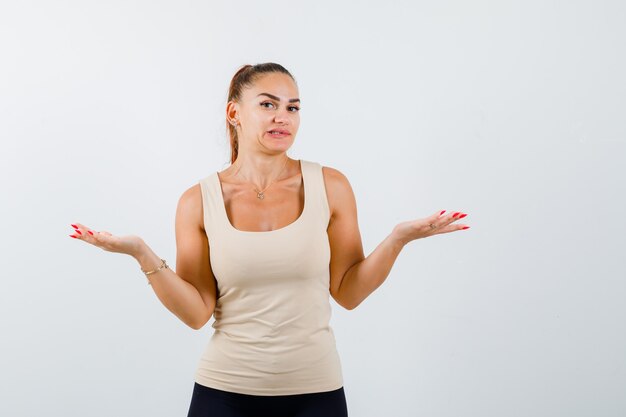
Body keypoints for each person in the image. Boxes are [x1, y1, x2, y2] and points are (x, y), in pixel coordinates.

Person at [69, 62, 470, 417]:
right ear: (234, 113)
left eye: (292, 107)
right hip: (224, 393)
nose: (283, 117)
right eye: (268, 104)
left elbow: (347, 292)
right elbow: (196, 313)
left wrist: (398, 239)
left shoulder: (330, 185)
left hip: (316, 392)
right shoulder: (198, 201)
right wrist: (141, 253)